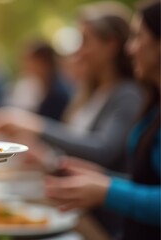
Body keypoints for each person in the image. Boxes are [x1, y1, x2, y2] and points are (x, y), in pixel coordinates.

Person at [0, 1, 142, 235]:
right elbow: (75, 156)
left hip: (102, 222)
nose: (77, 51)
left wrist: (35, 125)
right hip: (74, 209)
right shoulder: (89, 94)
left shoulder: (127, 94)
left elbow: (104, 150)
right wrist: (47, 159)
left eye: (86, 41)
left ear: (111, 44)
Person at [45, 2, 160, 239]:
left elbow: (104, 149)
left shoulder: (128, 94)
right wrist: (104, 178)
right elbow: (145, 181)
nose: (131, 48)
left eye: (138, 37)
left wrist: (108, 189)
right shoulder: (151, 104)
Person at [8, 41, 71, 121]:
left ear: (44, 63)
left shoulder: (58, 93)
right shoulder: (41, 85)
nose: (25, 66)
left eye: (30, 61)